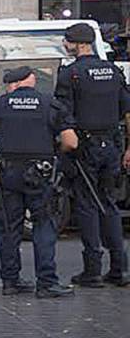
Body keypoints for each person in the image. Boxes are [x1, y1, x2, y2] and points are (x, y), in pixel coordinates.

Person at [0, 66, 78, 298]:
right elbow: (71, 142)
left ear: (15, 83)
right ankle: (47, 283)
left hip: (8, 172)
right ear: (31, 81)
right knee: (43, 225)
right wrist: (54, 151)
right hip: (40, 173)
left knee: (9, 227)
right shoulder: (50, 104)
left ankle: (11, 281)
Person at [54, 22, 130, 287]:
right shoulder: (113, 70)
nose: (65, 44)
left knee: (87, 205)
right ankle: (120, 268)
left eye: (68, 40)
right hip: (112, 144)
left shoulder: (70, 73)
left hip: (85, 147)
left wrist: (65, 151)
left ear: (80, 43)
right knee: (109, 204)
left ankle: (93, 269)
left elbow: (63, 118)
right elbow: (126, 110)